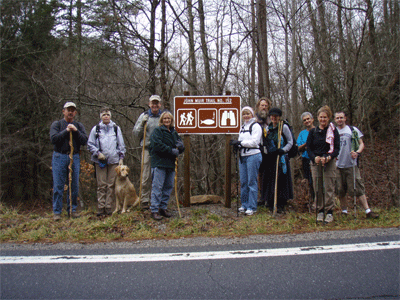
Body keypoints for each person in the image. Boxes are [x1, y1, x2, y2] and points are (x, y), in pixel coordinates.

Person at [334, 111, 379, 219]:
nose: (339, 120)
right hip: (337, 165)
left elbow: (361, 143)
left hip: (351, 164)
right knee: (340, 190)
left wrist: (357, 152)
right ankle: (344, 211)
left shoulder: (352, 130)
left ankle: (368, 211)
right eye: (337, 118)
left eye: (341, 117)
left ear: (345, 118)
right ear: (335, 120)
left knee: (358, 188)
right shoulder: (333, 131)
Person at [50, 102, 88, 221]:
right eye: (68, 110)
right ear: (64, 111)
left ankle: (72, 210)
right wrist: (66, 131)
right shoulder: (57, 124)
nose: (70, 112)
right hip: (59, 157)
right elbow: (54, 139)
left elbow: (84, 141)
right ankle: (57, 212)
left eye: (72, 110)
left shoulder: (79, 125)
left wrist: (75, 131)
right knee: (58, 185)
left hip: (74, 157)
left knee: (74, 185)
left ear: (75, 112)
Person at [88, 107, 126, 216]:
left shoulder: (115, 128)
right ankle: (101, 206)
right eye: (104, 115)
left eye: (108, 115)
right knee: (101, 184)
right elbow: (90, 144)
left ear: (110, 116)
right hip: (100, 162)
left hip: (114, 161)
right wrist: (97, 153)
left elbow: (121, 144)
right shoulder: (96, 129)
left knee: (111, 185)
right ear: (101, 116)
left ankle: (109, 206)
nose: (106, 116)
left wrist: (121, 158)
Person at [306, 105, 340, 223]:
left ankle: (329, 211)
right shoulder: (313, 132)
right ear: (317, 118)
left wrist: (329, 157)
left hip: (329, 162)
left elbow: (336, 148)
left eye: (325, 117)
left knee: (329, 187)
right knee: (318, 187)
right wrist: (314, 158)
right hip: (316, 163)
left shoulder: (333, 131)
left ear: (329, 118)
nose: (323, 119)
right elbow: (308, 148)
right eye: (321, 117)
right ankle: (320, 210)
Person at [149, 111, 184, 220]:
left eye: (168, 119)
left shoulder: (174, 132)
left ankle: (163, 207)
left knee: (168, 186)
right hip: (159, 163)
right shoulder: (158, 131)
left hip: (170, 164)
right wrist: (170, 150)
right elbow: (157, 146)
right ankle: (154, 209)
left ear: (171, 120)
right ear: (161, 120)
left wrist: (181, 147)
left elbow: (179, 148)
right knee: (157, 187)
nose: (167, 120)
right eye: (165, 119)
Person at [230, 106, 263, 216]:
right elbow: (241, 140)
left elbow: (255, 141)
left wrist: (240, 143)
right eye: (244, 114)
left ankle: (252, 206)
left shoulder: (256, 126)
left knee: (251, 182)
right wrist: (237, 145)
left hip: (253, 155)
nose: (246, 116)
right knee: (243, 181)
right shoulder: (242, 127)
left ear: (252, 115)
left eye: (248, 113)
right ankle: (244, 204)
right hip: (243, 156)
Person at [133, 95, 164, 209]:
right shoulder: (144, 116)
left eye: (157, 103)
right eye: (153, 103)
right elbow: (136, 134)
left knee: (159, 177)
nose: (155, 105)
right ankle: (144, 200)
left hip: (160, 150)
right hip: (147, 149)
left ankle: (158, 200)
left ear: (160, 104)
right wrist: (142, 124)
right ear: (149, 104)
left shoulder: (163, 116)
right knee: (145, 175)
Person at [261, 108, 294, 213]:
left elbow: (290, 141)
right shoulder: (268, 128)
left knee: (281, 181)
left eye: (276, 116)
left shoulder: (283, 127)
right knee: (270, 180)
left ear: (279, 117)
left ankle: (280, 203)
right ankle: (270, 202)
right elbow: (264, 142)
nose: (273, 118)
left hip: (281, 158)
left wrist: (283, 150)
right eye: (272, 116)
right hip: (270, 158)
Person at [255, 97, 272, 206]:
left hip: (269, 149)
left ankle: (268, 196)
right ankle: (261, 196)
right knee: (259, 174)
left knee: (269, 173)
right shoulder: (254, 119)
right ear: (258, 106)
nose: (264, 107)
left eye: (266, 105)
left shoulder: (271, 120)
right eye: (262, 105)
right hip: (257, 149)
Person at [297, 112, 315, 209]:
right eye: (305, 120)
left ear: (312, 119)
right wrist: (306, 144)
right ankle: (310, 201)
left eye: (308, 119)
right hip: (306, 159)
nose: (307, 121)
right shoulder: (302, 133)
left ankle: (318, 201)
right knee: (309, 181)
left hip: (317, 160)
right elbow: (298, 147)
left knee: (317, 181)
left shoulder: (318, 130)